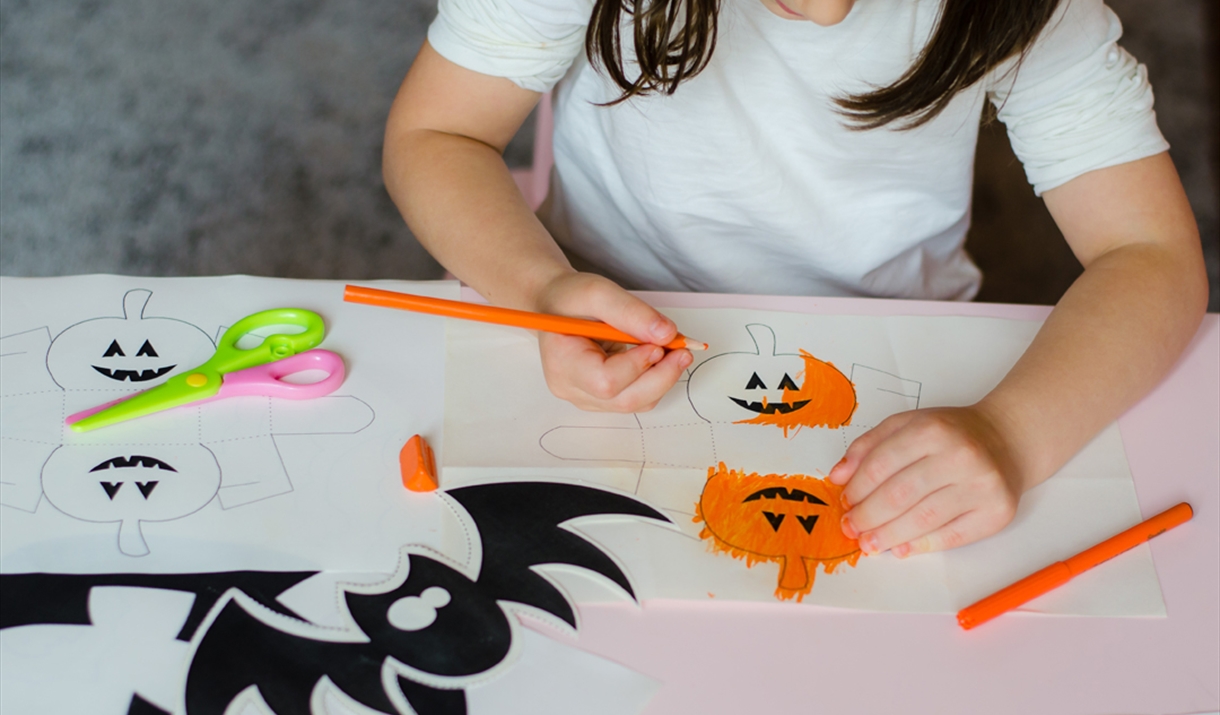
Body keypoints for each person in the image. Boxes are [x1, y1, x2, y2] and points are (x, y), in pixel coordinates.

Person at [382, 0, 1207, 560]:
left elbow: (1152, 255)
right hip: (592, 323)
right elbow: (436, 133)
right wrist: (540, 292)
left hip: (903, 351)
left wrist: (1014, 434)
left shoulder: (1029, 14)